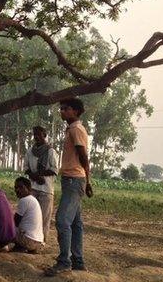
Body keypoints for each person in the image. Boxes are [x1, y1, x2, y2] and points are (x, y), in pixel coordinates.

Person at [45, 97, 93, 277]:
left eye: (65, 109)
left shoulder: (76, 130)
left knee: (63, 220)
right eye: (61, 109)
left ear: (75, 111)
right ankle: (78, 262)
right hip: (72, 180)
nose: (62, 112)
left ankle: (64, 261)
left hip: (74, 180)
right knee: (75, 223)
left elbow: (83, 156)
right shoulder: (72, 129)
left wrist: (87, 181)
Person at [24, 126, 58, 243]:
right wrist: (34, 176)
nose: (36, 137)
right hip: (33, 188)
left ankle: (42, 241)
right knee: (32, 216)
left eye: (39, 134)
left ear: (45, 135)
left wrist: (40, 175)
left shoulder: (51, 151)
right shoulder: (30, 151)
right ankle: (30, 239)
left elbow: (54, 170)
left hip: (46, 190)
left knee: (44, 218)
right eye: (35, 135)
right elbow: (26, 168)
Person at [13, 177, 44, 253]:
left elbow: (15, 222)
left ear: (29, 189)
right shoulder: (33, 199)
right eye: (16, 187)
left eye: (21, 187)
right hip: (39, 242)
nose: (17, 190)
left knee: (6, 229)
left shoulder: (24, 200)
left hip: (28, 241)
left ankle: (19, 247)